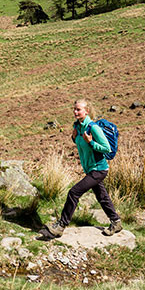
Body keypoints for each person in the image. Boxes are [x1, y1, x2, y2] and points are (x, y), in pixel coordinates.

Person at [39, 99, 122, 239]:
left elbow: (106, 148)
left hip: (99, 169)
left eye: (78, 109)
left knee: (73, 192)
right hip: (90, 169)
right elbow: (80, 143)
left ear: (86, 111)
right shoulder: (78, 127)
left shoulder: (93, 127)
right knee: (102, 197)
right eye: (74, 109)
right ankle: (116, 222)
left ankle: (61, 226)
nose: (75, 112)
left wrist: (91, 143)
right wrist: (74, 138)